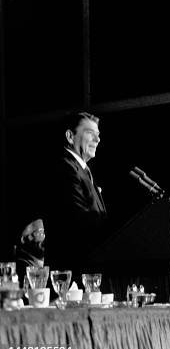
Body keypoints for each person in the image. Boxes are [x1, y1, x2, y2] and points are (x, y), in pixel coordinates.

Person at [43, 112, 108, 268]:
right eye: (90, 133)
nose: (97, 140)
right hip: (72, 270)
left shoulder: (82, 170)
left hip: (87, 266)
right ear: (70, 136)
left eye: (98, 135)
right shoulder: (65, 168)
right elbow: (79, 221)